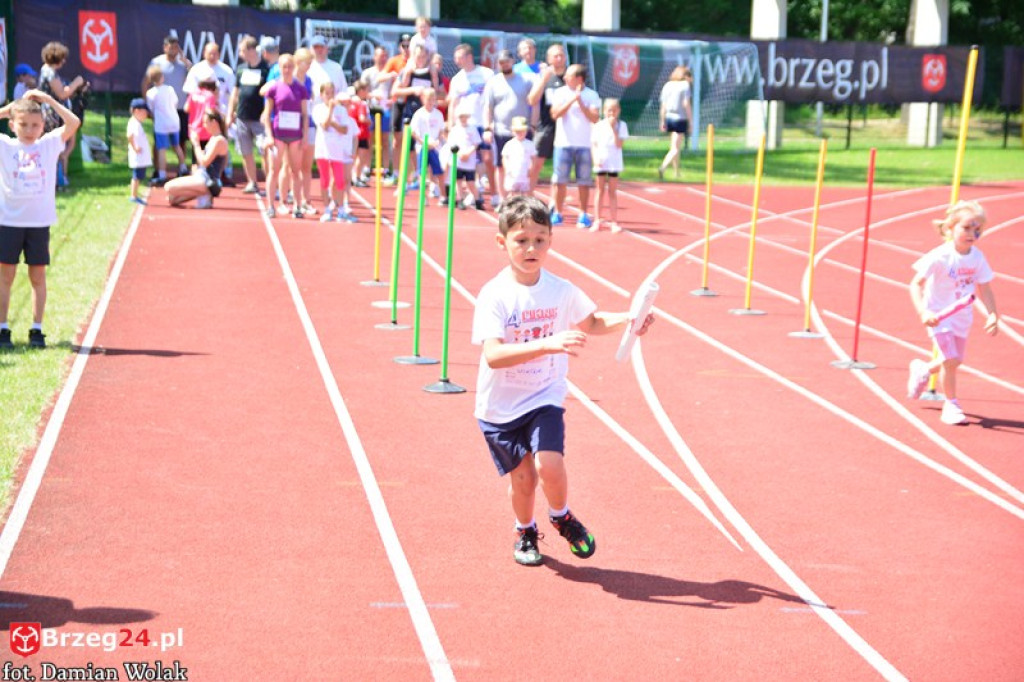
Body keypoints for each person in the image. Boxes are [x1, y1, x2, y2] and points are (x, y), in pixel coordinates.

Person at [472, 195, 655, 566]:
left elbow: (591, 322)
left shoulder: (561, 290)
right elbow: (493, 355)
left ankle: (562, 516)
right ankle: (525, 531)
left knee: (549, 465)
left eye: (540, 239)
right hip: (499, 407)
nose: (531, 248)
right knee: (523, 480)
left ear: (551, 241)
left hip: (544, 394)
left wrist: (630, 319)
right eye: (521, 240)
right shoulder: (495, 295)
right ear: (502, 241)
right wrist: (547, 343)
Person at [907, 200, 999, 426]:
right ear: (950, 228)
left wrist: (993, 314)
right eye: (966, 228)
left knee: (956, 360)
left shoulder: (977, 257)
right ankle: (952, 405)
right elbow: (915, 284)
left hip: (962, 316)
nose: (972, 233)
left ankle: (924, 369)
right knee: (950, 360)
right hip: (939, 315)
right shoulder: (940, 256)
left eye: (977, 229)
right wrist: (923, 311)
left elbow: (985, 287)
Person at [0, 91, 80, 350]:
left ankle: (37, 329)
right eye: (23, 124)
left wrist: (49, 102)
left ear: (43, 126)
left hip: (38, 223)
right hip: (8, 222)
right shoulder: (6, 145)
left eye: (35, 125)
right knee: (5, 278)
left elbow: (73, 123)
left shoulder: (48, 144)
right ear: (12, 124)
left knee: (37, 277)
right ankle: (3, 328)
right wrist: (9, 108)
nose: (29, 130)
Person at [549, 64, 600, 228]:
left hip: (583, 144)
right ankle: (557, 212)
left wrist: (581, 103)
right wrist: (571, 100)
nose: (564, 78)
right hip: (563, 143)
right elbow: (555, 114)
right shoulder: (561, 93)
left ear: (579, 78)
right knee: (559, 180)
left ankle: (583, 214)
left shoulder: (591, 95)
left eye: (569, 76)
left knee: (583, 181)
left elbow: (594, 118)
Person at [482, 49, 532, 207]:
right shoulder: (493, 82)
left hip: (521, 130)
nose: (504, 65)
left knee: (523, 163)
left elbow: (533, 103)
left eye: (507, 61)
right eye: (501, 62)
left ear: (513, 62)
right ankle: (503, 199)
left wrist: (534, 123)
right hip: (501, 130)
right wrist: (487, 128)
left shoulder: (524, 80)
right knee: (501, 164)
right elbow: (488, 107)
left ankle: (523, 198)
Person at [260, 54, 309, 219]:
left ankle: (297, 206)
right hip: (278, 135)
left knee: (296, 171)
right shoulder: (273, 88)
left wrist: (305, 136)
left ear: (294, 67)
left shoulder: (301, 89)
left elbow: (304, 114)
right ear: (279, 68)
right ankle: (270, 206)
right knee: (273, 171)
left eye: (289, 66)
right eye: (284, 66)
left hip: (295, 136)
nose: (287, 70)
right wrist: (268, 136)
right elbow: (266, 114)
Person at [447, 44, 494, 209]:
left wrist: (491, 121)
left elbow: (492, 98)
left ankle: (487, 188)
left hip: (482, 121)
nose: (456, 61)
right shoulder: (457, 79)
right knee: (466, 158)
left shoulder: (486, 74)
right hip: (465, 124)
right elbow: (453, 103)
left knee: (485, 157)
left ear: (468, 57)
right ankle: (472, 191)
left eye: (459, 57)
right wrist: (451, 124)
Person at [227, 35, 271, 195]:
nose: (240, 53)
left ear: (252, 50)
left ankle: (270, 183)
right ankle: (252, 182)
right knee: (246, 152)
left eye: (242, 50)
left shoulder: (267, 69)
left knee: (265, 153)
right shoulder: (240, 69)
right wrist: (230, 112)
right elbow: (235, 92)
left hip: (260, 118)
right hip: (242, 117)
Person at [38, 41, 86, 189]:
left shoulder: (46, 70)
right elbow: (62, 94)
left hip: (52, 111)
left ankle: (59, 179)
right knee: (58, 145)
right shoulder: (49, 72)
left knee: (62, 144)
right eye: (62, 58)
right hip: (52, 113)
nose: (64, 62)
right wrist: (77, 83)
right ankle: (59, 180)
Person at [394, 44, 439, 187]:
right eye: (417, 56)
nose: (420, 59)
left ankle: (429, 179)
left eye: (423, 56)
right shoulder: (408, 69)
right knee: (409, 145)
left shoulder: (432, 70)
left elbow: (438, 90)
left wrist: (433, 77)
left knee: (429, 144)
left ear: (427, 56)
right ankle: (412, 176)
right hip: (412, 111)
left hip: (428, 112)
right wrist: (412, 88)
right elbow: (396, 91)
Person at [164, 108, 229, 209]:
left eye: (205, 122)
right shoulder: (213, 138)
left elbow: (204, 162)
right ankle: (201, 193)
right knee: (172, 199)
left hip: (207, 181)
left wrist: (196, 144)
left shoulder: (219, 140)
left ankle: (205, 193)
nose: (204, 126)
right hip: (202, 177)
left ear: (214, 122)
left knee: (168, 187)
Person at [146, 36, 192, 172]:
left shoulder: (183, 63)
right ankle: (158, 170)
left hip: (180, 109)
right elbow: (145, 82)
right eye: (171, 47)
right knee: (159, 143)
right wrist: (148, 108)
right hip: (161, 112)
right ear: (165, 47)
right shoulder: (156, 62)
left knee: (180, 141)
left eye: (176, 47)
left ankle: (182, 168)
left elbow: (194, 76)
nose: (174, 50)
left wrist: (186, 62)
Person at [527, 43, 568, 192]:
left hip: (565, 128)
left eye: (561, 55)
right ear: (549, 58)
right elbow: (532, 100)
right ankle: (528, 196)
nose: (559, 58)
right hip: (545, 126)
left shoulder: (570, 76)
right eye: (555, 56)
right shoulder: (544, 76)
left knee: (560, 168)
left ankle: (555, 205)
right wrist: (543, 79)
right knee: (535, 164)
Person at [312, 81, 352, 222]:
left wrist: (334, 124)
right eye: (327, 93)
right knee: (324, 180)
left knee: (340, 180)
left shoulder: (341, 110)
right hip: (322, 149)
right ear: (322, 95)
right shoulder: (318, 109)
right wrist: (330, 112)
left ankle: (340, 208)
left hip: (336, 149)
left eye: (332, 93)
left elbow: (345, 129)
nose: (330, 96)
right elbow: (324, 125)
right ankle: (327, 209)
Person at [145, 65, 189, 183]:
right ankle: (183, 167)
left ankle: (162, 174)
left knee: (161, 149)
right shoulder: (170, 89)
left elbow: (151, 108)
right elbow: (175, 102)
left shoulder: (150, 93)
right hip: (174, 121)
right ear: (162, 77)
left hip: (161, 124)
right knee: (177, 145)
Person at [359, 45, 397, 181]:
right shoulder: (368, 73)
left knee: (385, 141)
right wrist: (372, 95)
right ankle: (366, 169)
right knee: (369, 140)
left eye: (384, 56)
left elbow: (395, 91)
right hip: (371, 109)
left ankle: (386, 170)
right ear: (374, 57)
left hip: (385, 110)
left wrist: (391, 100)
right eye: (379, 56)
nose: (382, 59)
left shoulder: (391, 73)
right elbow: (361, 92)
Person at [590, 98, 628, 233]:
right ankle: (597, 220)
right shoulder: (598, 126)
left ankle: (614, 222)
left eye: (614, 110)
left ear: (618, 111)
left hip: (614, 162)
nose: (611, 113)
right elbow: (594, 145)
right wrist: (595, 159)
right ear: (604, 111)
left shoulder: (621, 125)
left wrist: (614, 129)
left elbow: (619, 144)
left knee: (612, 191)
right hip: (601, 161)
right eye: (608, 110)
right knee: (599, 190)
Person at [407, 88, 446, 204]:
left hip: (434, 147)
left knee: (439, 171)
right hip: (422, 147)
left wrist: (437, 141)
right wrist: (423, 142)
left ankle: (443, 196)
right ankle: (423, 197)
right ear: (423, 99)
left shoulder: (438, 114)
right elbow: (413, 131)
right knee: (422, 172)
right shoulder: (419, 114)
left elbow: (441, 131)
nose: (430, 102)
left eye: (433, 99)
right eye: (428, 99)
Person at [443, 102, 481, 209]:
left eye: (465, 117)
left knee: (470, 182)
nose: (463, 119)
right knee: (458, 181)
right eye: (461, 117)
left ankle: (477, 199)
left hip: (469, 161)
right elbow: (451, 143)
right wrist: (459, 154)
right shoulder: (455, 129)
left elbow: (476, 143)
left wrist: (468, 153)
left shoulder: (472, 129)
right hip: (458, 160)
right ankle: (459, 199)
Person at [384, 35, 412, 181]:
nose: (407, 49)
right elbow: (380, 77)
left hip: (412, 102)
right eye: (404, 45)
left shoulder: (416, 61)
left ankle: (413, 174)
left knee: (413, 139)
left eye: (409, 45)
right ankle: (395, 172)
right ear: (400, 47)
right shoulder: (394, 61)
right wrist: (391, 75)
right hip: (398, 101)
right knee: (396, 138)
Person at [657, 66, 693, 181]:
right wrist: (690, 121)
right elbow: (686, 104)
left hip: (669, 117)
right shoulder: (685, 85)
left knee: (675, 146)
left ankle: (676, 172)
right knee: (675, 149)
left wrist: (662, 120)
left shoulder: (668, 85)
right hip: (680, 118)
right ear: (686, 76)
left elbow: (663, 106)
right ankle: (663, 167)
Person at [501, 116, 535, 198]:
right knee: (512, 192)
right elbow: (505, 157)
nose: (520, 133)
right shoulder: (509, 144)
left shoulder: (530, 144)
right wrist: (507, 169)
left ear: (526, 131)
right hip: (512, 173)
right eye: (517, 131)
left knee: (524, 193)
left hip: (524, 173)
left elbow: (533, 158)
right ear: (513, 131)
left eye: (522, 131)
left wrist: (531, 169)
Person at [127, 99, 152, 206]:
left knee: (139, 175)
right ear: (137, 111)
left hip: (140, 156)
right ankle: (133, 195)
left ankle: (135, 194)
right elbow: (130, 136)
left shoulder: (137, 123)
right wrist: (135, 147)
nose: (146, 115)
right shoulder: (133, 123)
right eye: (144, 112)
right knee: (136, 176)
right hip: (137, 156)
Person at [347, 81, 372, 187]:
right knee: (360, 157)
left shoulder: (350, 102)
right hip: (361, 133)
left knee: (353, 155)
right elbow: (362, 118)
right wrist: (369, 121)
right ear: (361, 91)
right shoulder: (362, 104)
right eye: (366, 90)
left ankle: (350, 176)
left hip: (351, 133)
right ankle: (356, 177)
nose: (367, 92)